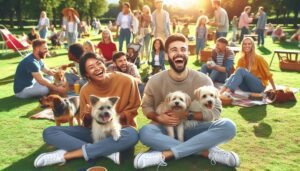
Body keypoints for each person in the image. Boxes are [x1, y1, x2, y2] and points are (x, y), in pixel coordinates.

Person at [134, 34, 239, 169]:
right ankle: (205, 152)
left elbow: (216, 111)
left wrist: (188, 115)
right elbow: (146, 107)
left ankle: (163, 154)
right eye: (174, 50)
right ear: (166, 54)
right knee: (145, 132)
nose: (179, 53)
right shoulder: (154, 80)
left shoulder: (203, 80)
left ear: (188, 53)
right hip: (165, 129)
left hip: (195, 128)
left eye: (183, 49)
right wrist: (159, 117)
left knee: (228, 126)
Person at [33, 52, 141, 168]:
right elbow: (86, 123)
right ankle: (108, 153)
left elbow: (133, 110)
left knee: (133, 135)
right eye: (91, 67)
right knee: (49, 132)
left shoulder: (128, 81)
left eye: (98, 63)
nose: (97, 68)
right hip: (95, 133)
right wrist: (89, 116)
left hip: (120, 131)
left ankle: (66, 156)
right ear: (86, 74)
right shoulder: (85, 90)